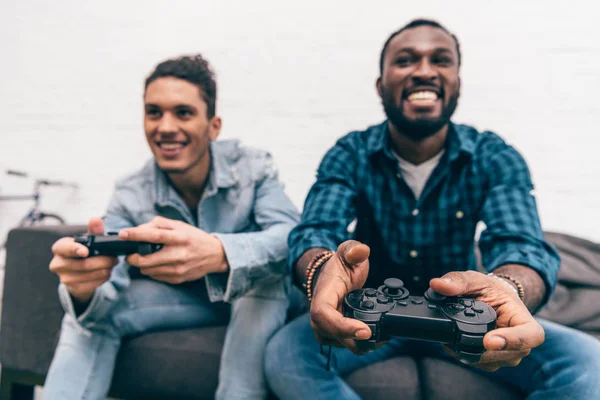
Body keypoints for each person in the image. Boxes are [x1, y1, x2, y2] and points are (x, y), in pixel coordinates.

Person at [265, 19, 600, 399]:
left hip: (461, 318)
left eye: (440, 60)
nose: (424, 71)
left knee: (589, 361)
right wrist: (322, 269)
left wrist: (508, 288)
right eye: (405, 61)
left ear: (456, 82)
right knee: (285, 354)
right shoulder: (350, 153)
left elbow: (521, 244)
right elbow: (315, 230)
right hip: (373, 316)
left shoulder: (493, 156)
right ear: (381, 85)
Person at [43, 54, 300, 400]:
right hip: (188, 299)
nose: (165, 127)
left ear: (214, 126)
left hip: (258, 296)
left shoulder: (253, 167)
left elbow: (291, 237)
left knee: (261, 282)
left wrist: (221, 253)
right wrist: (83, 289)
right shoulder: (131, 192)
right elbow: (108, 284)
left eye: (183, 113)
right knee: (84, 317)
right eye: (154, 112)